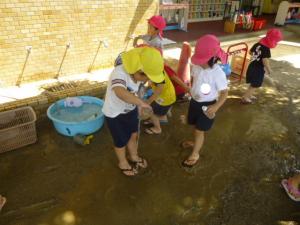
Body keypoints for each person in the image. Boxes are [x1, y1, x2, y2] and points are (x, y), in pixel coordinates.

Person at [102, 47, 165, 176]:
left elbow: (157, 86)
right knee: (120, 141)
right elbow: (120, 92)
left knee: (133, 135)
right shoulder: (119, 72)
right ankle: (123, 162)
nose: (147, 81)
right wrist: (141, 103)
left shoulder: (139, 75)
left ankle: (134, 156)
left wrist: (142, 105)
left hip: (130, 110)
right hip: (115, 114)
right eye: (146, 78)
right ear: (138, 71)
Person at [181, 35, 228, 168]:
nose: (198, 62)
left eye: (202, 60)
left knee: (199, 130)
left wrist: (216, 106)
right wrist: (191, 90)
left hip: (208, 107)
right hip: (195, 102)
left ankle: (195, 153)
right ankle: (195, 142)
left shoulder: (218, 73)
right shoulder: (196, 66)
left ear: (213, 58)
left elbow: (225, 93)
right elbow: (194, 79)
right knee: (194, 126)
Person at [241, 28, 282, 104]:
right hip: (257, 69)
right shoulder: (266, 49)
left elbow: (250, 52)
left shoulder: (257, 44)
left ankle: (249, 95)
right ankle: (246, 98)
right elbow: (265, 61)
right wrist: (268, 69)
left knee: (253, 84)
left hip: (252, 66)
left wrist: (256, 56)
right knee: (255, 85)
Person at [143, 65, 176, 135]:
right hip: (166, 96)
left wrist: (147, 102)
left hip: (165, 99)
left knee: (151, 111)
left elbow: (158, 92)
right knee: (154, 110)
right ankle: (157, 119)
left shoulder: (158, 77)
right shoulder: (156, 69)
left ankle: (157, 128)